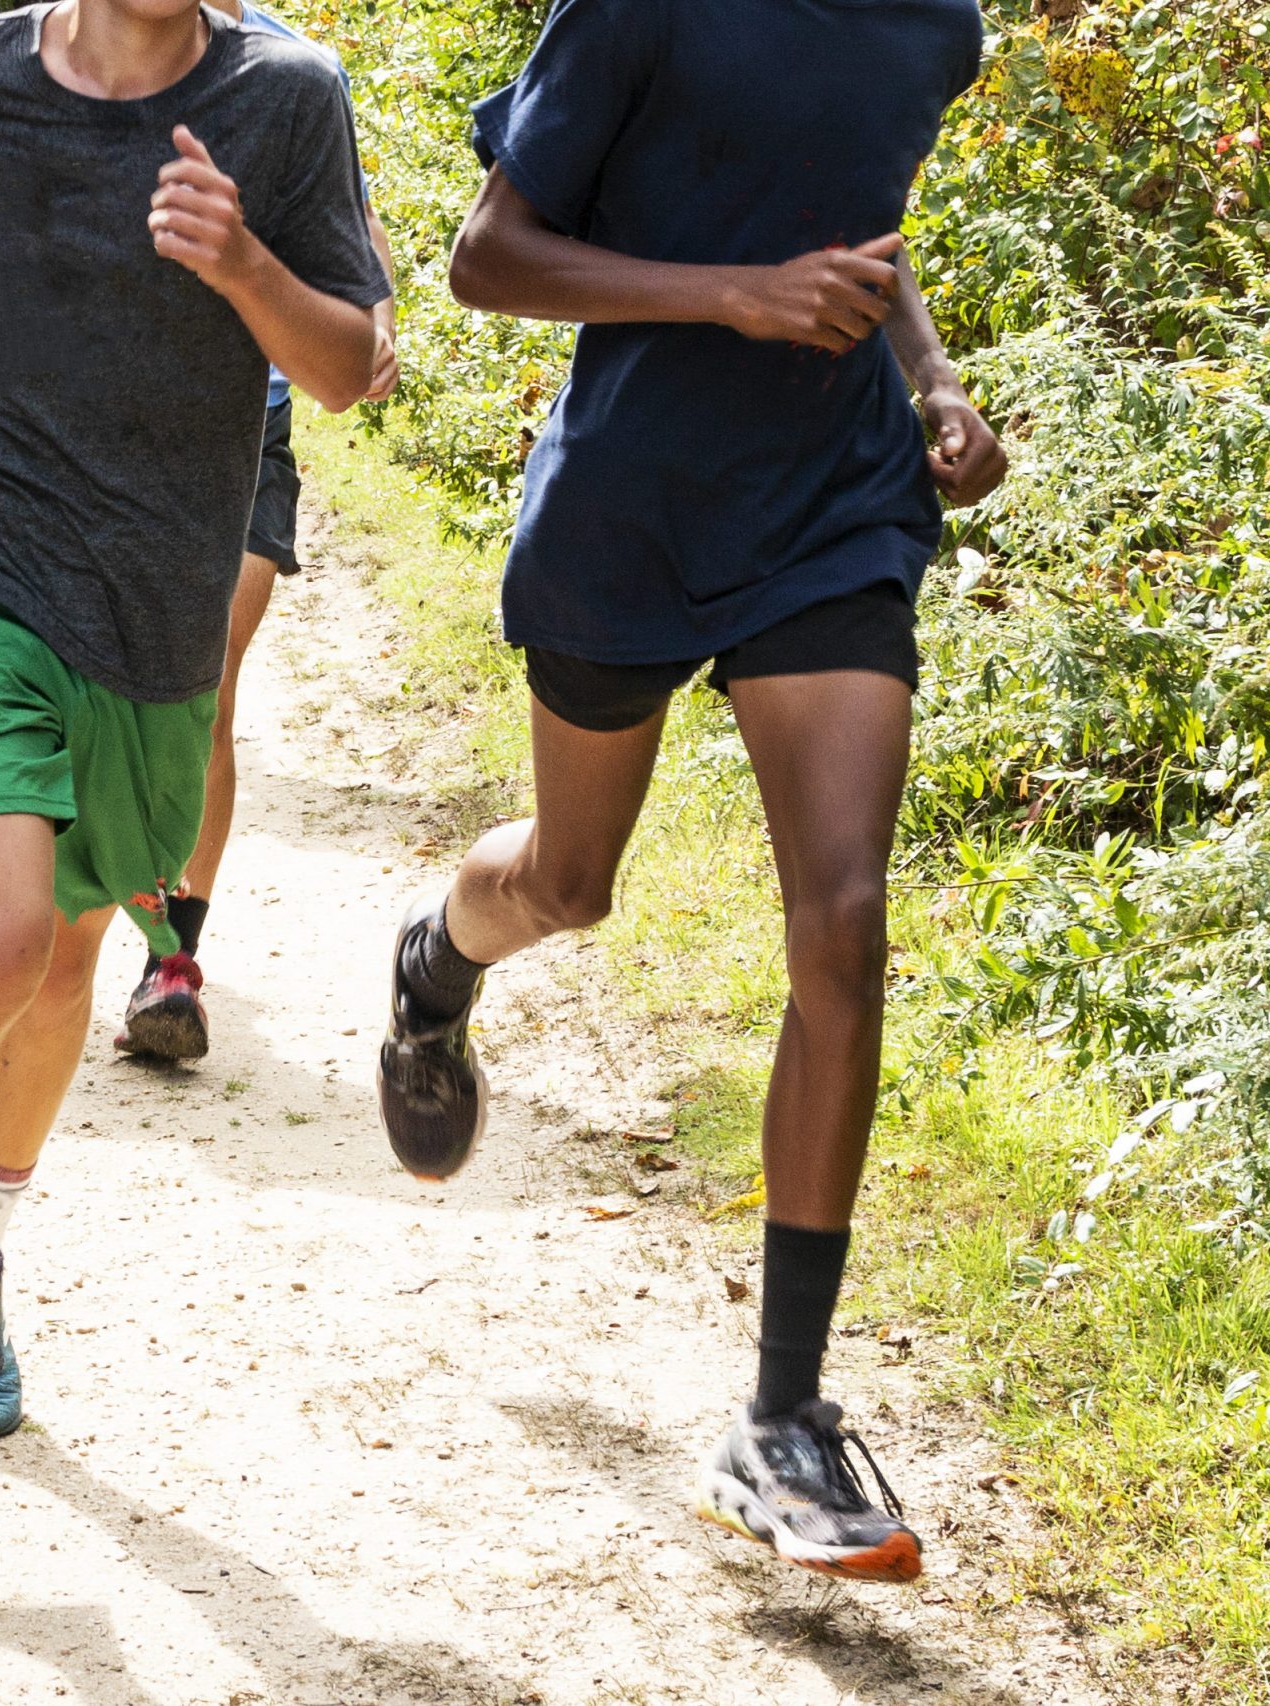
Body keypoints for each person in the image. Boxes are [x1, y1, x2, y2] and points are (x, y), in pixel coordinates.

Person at [374, 0, 1006, 1583]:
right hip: (634, 502)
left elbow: (864, 223)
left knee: (846, 923)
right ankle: (440, 958)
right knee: (571, 883)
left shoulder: (936, 24)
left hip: (833, 506)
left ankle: (782, 1417)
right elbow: (489, 257)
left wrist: (930, 376)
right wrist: (733, 297)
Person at [0, 0, 387, 1439]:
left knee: (56, 971)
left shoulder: (287, 97)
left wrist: (243, 263)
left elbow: (354, 366)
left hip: (155, 614)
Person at [115, 0, 399, 1062]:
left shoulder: (295, 71)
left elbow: (351, 230)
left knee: (206, 685)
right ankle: (67, 922)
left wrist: (375, 324)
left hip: (247, 428)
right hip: (92, 440)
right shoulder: (73, 50)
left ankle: (169, 958)